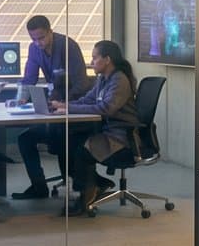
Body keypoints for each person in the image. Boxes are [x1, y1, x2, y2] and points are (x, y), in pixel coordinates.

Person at [48, 40, 143, 215]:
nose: (91, 62)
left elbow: (106, 108)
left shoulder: (119, 80)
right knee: (68, 141)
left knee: (81, 151)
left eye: (94, 58)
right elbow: (88, 100)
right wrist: (63, 105)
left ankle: (85, 198)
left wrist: (68, 108)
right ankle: (97, 184)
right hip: (106, 130)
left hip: (120, 136)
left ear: (107, 60)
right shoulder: (103, 79)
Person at [21, 14, 93, 101]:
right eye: (33, 39)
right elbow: (29, 79)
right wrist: (21, 99)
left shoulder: (68, 45)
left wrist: (65, 104)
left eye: (41, 38)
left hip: (76, 99)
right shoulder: (33, 49)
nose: (38, 43)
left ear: (50, 32)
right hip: (55, 96)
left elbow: (80, 82)